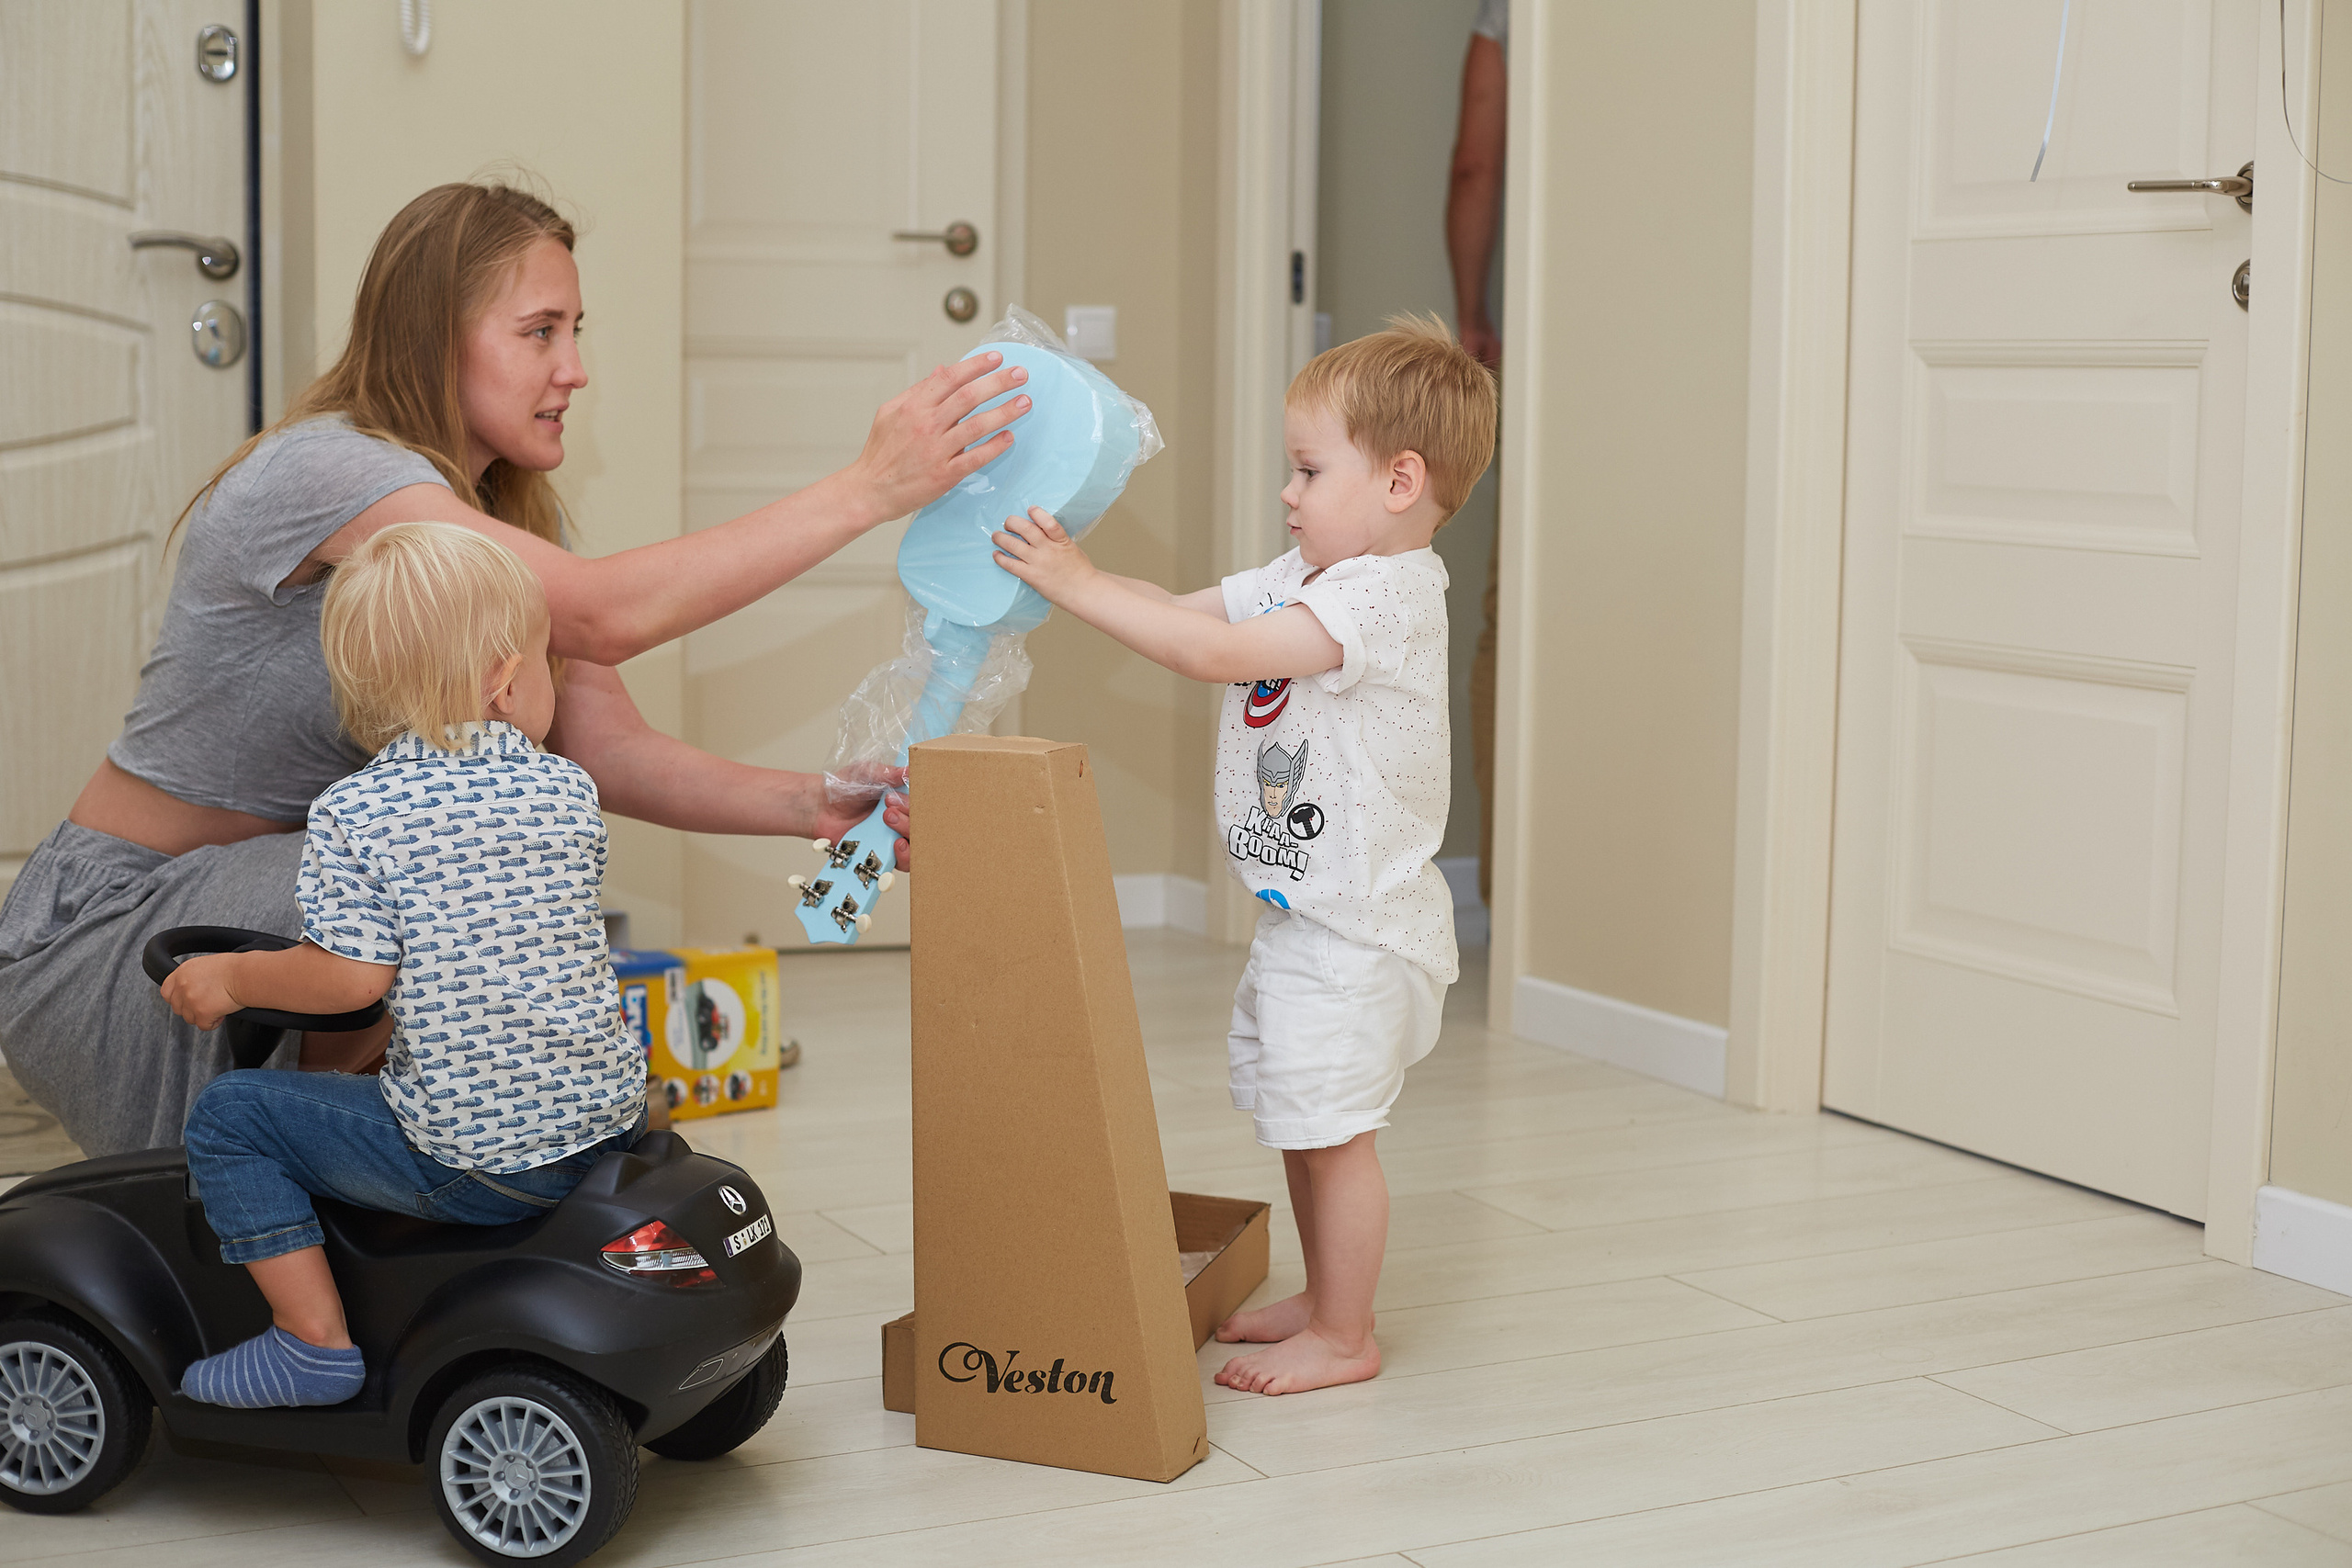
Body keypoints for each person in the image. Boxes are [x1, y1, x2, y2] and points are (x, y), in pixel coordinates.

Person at [0, 179, 1027, 1157]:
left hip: (296, 907)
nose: (573, 368)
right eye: (540, 332)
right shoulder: (328, 471)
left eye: (575, 331)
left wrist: (817, 805)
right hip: (124, 935)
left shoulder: (497, 517)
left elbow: (607, 749)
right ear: (432, 339)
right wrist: (868, 487)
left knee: (463, 858)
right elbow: (606, 613)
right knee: (443, 868)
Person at [992, 317, 1498, 1396]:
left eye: (1309, 470)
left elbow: (1212, 654)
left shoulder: (1384, 597)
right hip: (1308, 914)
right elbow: (1180, 616)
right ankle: (1326, 1299)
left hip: (1358, 934)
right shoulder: (1306, 574)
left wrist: (1076, 582)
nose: (1287, 491)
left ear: (1399, 481)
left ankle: (1347, 1335)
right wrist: (1065, 578)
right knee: (1301, 1126)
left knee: (1336, 1137)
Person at [164, 523, 643, 1407]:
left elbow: (349, 981)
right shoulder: (568, 789)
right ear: (507, 682)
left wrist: (231, 978)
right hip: (607, 1119)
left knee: (231, 1116)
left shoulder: (356, 812)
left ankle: (311, 1340)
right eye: (548, 663)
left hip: (477, 1158)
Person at [1448, 0, 1508, 904]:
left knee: (1514, 609)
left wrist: (1469, 312)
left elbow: (1474, 164)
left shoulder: (1507, 16)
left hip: (1547, 337)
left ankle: (1506, 889)